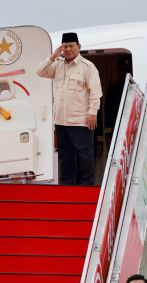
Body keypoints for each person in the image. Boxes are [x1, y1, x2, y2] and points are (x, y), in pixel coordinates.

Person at [36, 32, 102, 186]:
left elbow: (96, 92)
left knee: (84, 155)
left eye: (71, 46)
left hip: (81, 120)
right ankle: (67, 184)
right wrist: (53, 56)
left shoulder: (87, 67)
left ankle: (86, 185)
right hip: (60, 120)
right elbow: (40, 72)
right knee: (65, 155)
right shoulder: (57, 65)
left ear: (78, 47)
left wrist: (92, 113)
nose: (68, 49)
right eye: (65, 46)